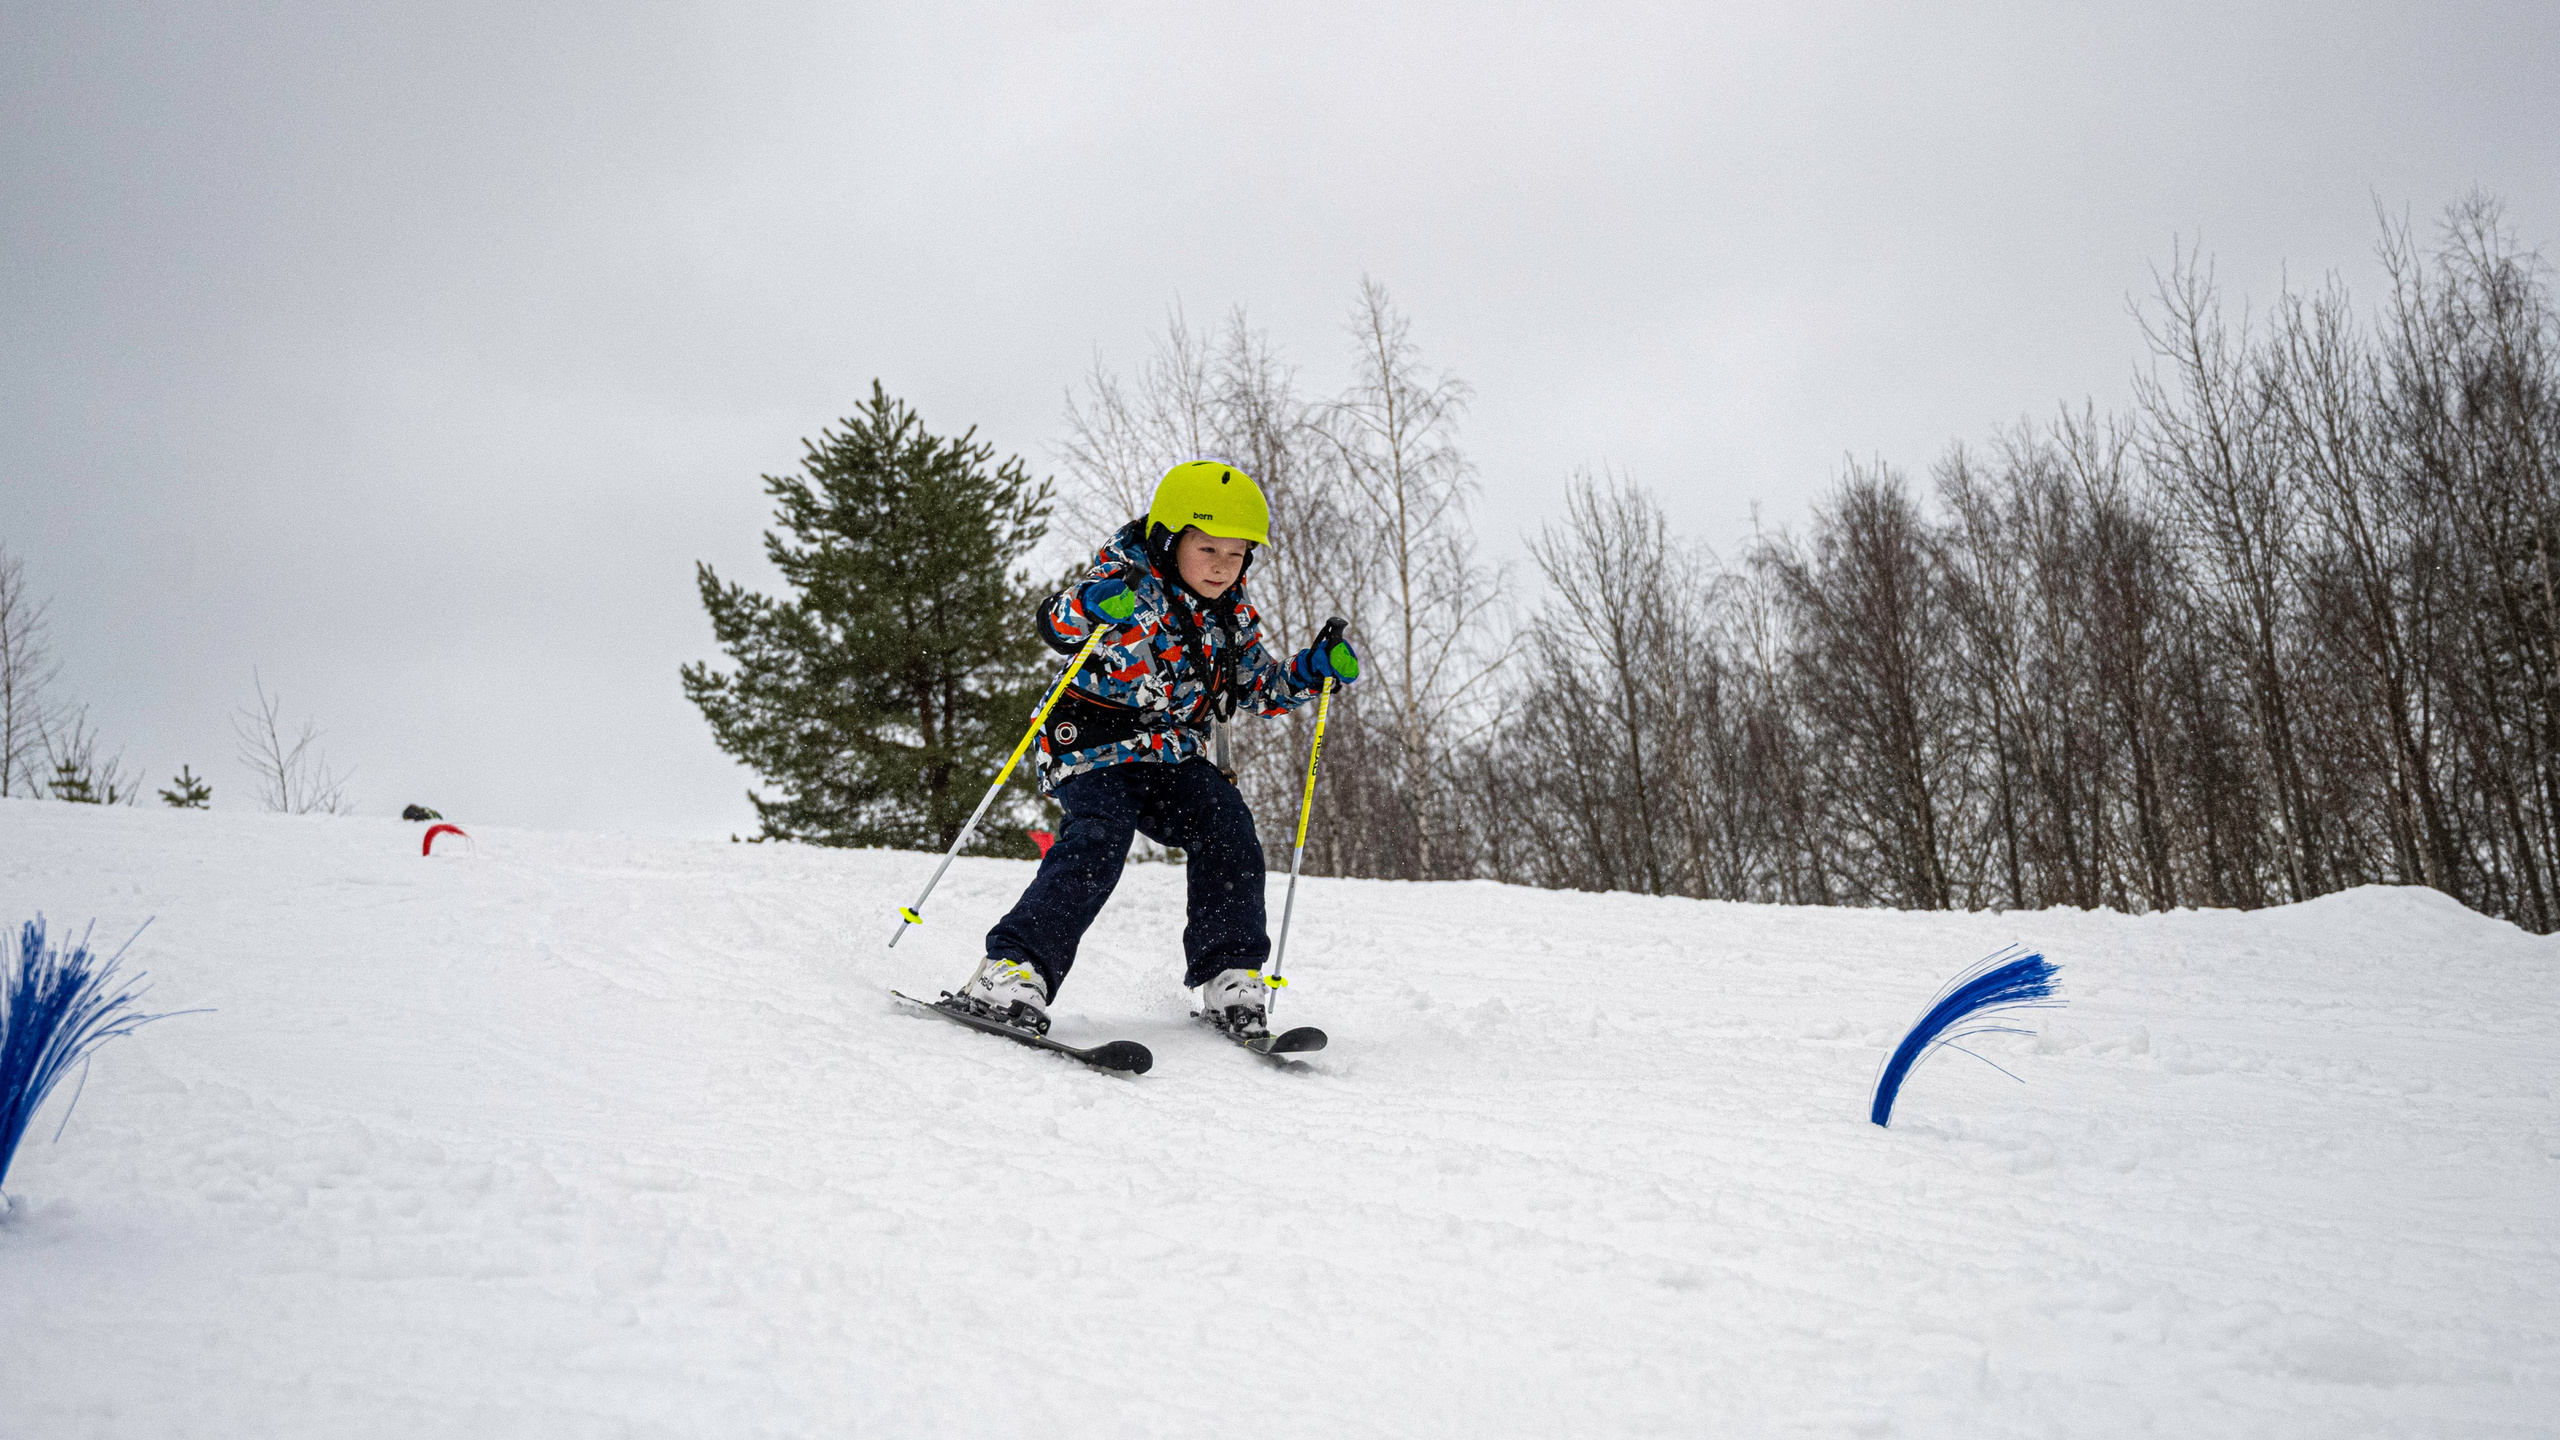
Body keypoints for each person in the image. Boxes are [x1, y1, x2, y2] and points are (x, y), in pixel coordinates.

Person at [954, 458, 1360, 1040]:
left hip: (1170, 754)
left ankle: (1230, 974)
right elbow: (1056, 621)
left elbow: (1257, 690)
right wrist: (1093, 605)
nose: (1223, 567)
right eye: (1209, 550)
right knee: (1100, 836)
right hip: (1094, 743)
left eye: (1237, 553)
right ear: (1170, 541)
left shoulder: (1230, 616)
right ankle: (1010, 970)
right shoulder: (1126, 580)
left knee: (1228, 824)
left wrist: (1311, 671)